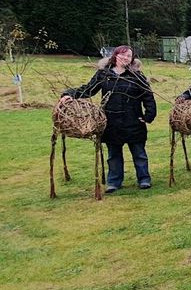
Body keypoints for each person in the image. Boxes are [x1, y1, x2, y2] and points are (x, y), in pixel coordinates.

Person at [61, 45, 156, 193]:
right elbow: (89, 89)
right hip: (111, 122)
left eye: (129, 56)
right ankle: (114, 182)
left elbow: (148, 96)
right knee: (113, 155)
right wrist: (69, 94)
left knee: (139, 153)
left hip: (133, 121)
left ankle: (144, 179)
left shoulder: (137, 76)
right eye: (123, 55)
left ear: (132, 59)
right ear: (115, 55)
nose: (125, 58)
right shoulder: (104, 75)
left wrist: (149, 116)